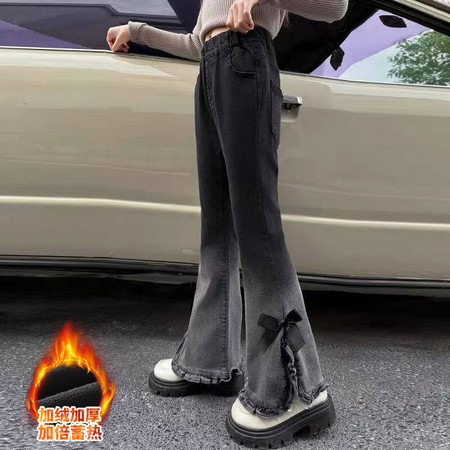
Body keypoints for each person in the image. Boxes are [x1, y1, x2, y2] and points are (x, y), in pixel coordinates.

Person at [107, 0, 348, 447]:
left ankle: (297, 390)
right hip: (214, 69)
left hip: (246, 62)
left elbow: (335, 7)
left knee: (258, 229)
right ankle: (208, 359)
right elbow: (199, 42)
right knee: (217, 228)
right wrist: (137, 31)